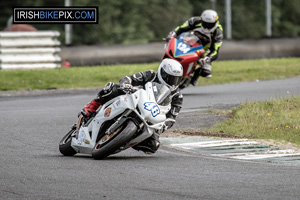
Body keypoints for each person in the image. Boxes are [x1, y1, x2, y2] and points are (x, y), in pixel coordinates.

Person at [80, 58, 184, 154]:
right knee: (111, 87)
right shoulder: (151, 75)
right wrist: (127, 84)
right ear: (162, 72)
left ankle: (123, 140)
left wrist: (162, 126)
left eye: (176, 79)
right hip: (134, 99)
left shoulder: (177, 96)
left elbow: (171, 118)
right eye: (170, 78)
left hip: (151, 116)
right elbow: (128, 79)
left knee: (153, 146)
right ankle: (92, 106)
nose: (173, 82)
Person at [166, 9, 223, 86]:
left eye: (210, 24)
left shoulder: (218, 32)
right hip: (190, 41)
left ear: (215, 22)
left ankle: (194, 77)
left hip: (205, 49)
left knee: (206, 71)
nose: (207, 26)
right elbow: (181, 28)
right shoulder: (195, 21)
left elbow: (215, 50)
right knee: (173, 50)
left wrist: (208, 58)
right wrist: (173, 34)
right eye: (205, 23)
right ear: (202, 19)